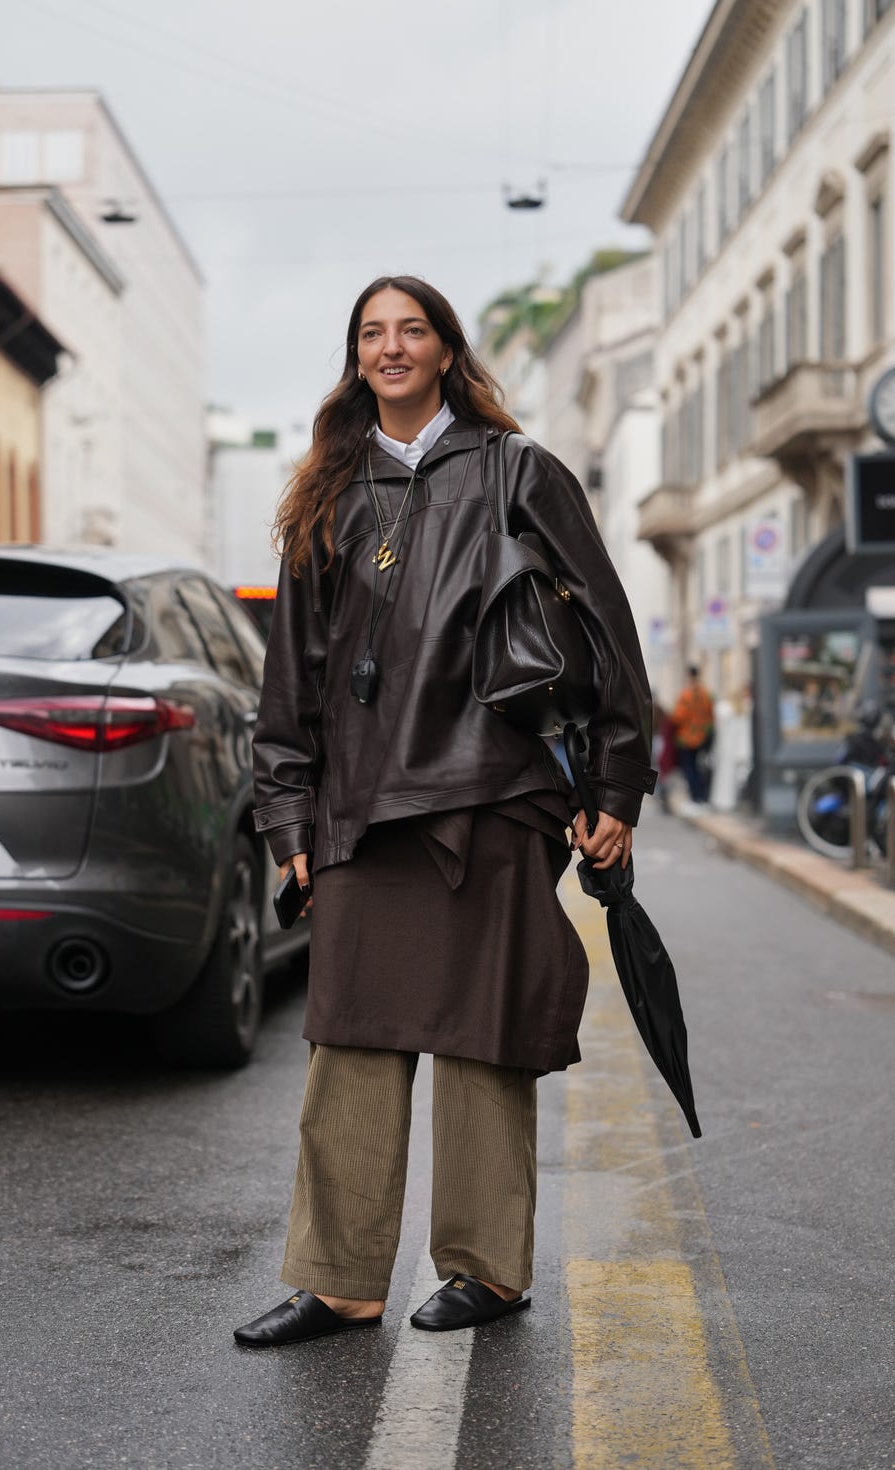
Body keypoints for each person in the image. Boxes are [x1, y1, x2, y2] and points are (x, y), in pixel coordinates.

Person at [234, 276, 656, 1349]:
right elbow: (293, 680)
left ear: (443, 349)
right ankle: (339, 1283)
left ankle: (485, 1268)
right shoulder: (325, 493)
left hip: (495, 793)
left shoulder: (519, 472)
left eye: (408, 330)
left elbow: (606, 630)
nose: (389, 347)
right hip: (362, 807)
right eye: (370, 334)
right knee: (349, 1038)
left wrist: (613, 788)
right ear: (354, 358)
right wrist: (289, 824)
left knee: (481, 1039)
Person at [672, 665, 714, 805]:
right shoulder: (705, 694)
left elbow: (678, 716)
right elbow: (710, 716)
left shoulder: (686, 695)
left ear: (689, 675)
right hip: (701, 737)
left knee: (689, 768)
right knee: (697, 768)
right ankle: (701, 797)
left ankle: (694, 798)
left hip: (686, 738)